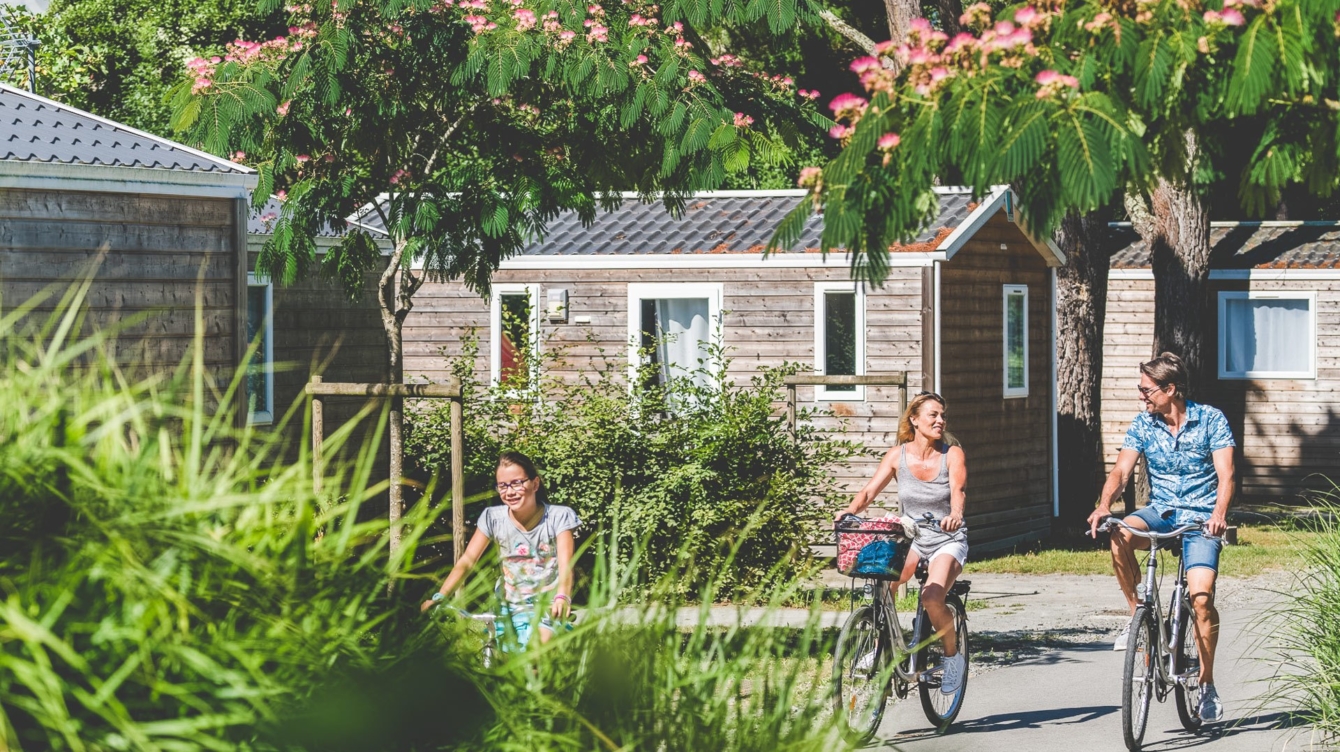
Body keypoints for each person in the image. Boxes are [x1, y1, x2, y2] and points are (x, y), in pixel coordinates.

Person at [1087, 352, 1235, 722]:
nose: (1142, 397)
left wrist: (1219, 515)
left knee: (1201, 599)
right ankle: (1137, 610)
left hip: (1202, 519)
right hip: (1162, 511)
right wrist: (1105, 505)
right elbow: (1121, 471)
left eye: (1146, 390)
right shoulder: (1143, 424)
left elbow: (1226, 476)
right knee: (1118, 534)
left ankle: (1206, 684)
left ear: (1170, 389)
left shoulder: (1211, 420)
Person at [838, 391, 969, 696]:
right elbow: (869, 491)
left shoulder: (952, 454)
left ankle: (953, 658)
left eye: (942, 415)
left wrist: (956, 514)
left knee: (931, 596)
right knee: (886, 583)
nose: (940, 420)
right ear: (914, 420)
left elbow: (958, 491)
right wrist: (849, 511)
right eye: (933, 415)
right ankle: (880, 647)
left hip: (947, 538)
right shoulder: (897, 456)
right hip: (912, 536)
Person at [422, 451, 580, 648]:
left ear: (535, 484)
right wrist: (441, 597)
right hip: (509, 610)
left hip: (547, 609)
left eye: (517, 483)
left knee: (536, 655)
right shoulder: (492, 518)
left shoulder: (558, 517)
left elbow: (567, 566)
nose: (510, 492)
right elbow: (468, 561)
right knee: (505, 670)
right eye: (503, 486)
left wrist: (562, 597)